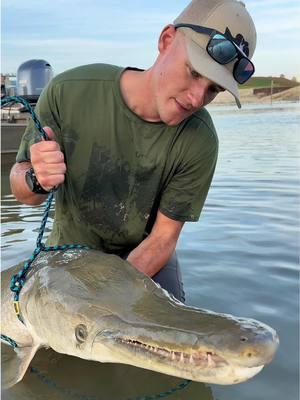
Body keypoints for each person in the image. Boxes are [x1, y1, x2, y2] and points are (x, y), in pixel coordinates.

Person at [10, 0, 256, 302]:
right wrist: (36, 178)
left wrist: (106, 296)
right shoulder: (67, 92)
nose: (196, 98)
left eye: (213, 90)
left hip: (145, 257)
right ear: (166, 40)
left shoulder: (199, 139)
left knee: (161, 336)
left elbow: (163, 238)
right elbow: (25, 194)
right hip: (67, 254)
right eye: (193, 72)